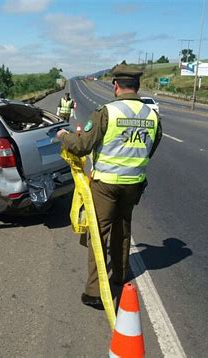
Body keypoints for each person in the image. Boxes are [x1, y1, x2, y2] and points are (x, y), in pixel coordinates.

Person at [56, 64, 162, 309]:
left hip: (105, 184)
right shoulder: (152, 115)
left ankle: (95, 291)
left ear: (116, 85)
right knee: (122, 229)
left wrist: (64, 136)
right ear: (137, 86)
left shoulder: (107, 112)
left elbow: (82, 146)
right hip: (133, 183)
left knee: (98, 234)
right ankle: (120, 275)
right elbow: (150, 149)